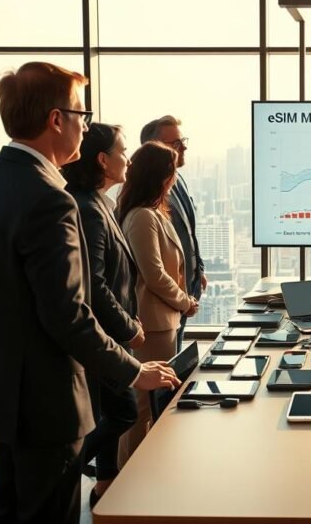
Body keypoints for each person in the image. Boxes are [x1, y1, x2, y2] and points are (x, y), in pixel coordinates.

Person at [0, 62, 179, 524]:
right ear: (56, 120)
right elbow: (67, 315)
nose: (86, 124)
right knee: (46, 512)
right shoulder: (50, 198)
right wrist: (135, 372)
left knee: (8, 507)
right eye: (81, 113)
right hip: (44, 399)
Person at [61, 122, 144, 506]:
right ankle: (67, 466)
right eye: (123, 151)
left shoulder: (100, 202)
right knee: (125, 410)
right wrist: (127, 326)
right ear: (103, 159)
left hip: (112, 333)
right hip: (106, 335)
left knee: (113, 410)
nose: (128, 158)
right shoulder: (88, 208)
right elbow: (95, 284)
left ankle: (106, 483)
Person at [117, 141, 199, 459]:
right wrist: (184, 302)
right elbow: (154, 274)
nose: (176, 178)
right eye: (172, 171)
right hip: (151, 325)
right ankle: (125, 483)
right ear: (161, 176)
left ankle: (143, 475)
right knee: (142, 407)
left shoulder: (153, 213)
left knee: (153, 405)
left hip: (162, 322)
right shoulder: (141, 217)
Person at [141, 115, 205, 352]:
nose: (184, 147)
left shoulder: (179, 181)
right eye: (176, 144)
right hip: (167, 300)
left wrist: (198, 269)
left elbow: (188, 232)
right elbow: (153, 268)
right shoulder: (148, 195)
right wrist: (180, 296)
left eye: (183, 141)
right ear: (155, 148)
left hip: (186, 288)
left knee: (176, 354)